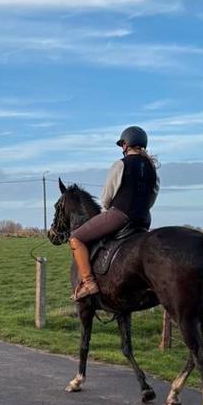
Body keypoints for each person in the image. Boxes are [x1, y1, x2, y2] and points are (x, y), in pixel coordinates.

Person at [70, 125, 159, 300]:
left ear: (126, 144)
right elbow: (152, 197)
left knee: (76, 238)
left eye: (122, 144)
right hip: (143, 220)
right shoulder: (151, 168)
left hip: (120, 215)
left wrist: (108, 211)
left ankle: (88, 283)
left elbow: (105, 198)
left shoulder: (120, 164)